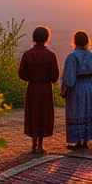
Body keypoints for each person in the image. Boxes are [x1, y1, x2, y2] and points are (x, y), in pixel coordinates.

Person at [18, 26, 59, 154]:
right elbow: (55, 76)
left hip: (32, 87)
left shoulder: (27, 54)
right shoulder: (50, 55)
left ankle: (33, 144)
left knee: (33, 113)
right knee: (43, 114)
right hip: (45, 88)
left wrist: (31, 78)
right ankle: (41, 145)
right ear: (47, 38)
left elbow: (22, 74)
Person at [61, 30, 92, 149]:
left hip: (77, 87)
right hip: (89, 85)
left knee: (77, 111)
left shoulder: (72, 56)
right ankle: (86, 140)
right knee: (88, 111)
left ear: (75, 41)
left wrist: (64, 88)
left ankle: (78, 141)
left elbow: (69, 76)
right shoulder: (91, 55)